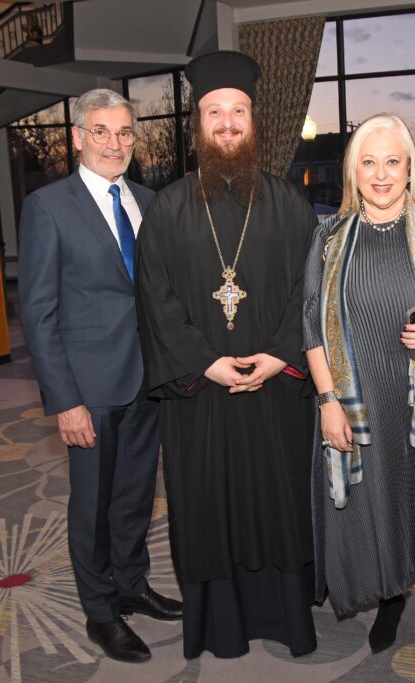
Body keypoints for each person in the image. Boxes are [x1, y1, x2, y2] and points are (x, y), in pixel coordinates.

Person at [135, 51, 318, 659]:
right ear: (199, 125)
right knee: (207, 507)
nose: (228, 122)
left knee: (276, 500)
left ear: (254, 121)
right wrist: (205, 363)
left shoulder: (288, 203)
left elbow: (310, 293)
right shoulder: (167, 208)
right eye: (215, 112)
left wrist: (279, 356)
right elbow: (155, 300)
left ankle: (286, 618)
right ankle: (220, 627)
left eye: (238, 111)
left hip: (274, 391)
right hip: (201, 398)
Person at [303, 113, 415, 672]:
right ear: (353, 171)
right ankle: (390, 599)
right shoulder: (330, 237)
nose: (381, 174)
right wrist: (328, 403)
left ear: (410, 169)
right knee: (382, 504)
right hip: (364, 403)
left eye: (393, 162)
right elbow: (311, 328)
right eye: (369, 162)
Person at [18, 88, 181, 664]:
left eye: (125, 132)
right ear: (78, 137)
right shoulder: (48, 206)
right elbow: (38, 313)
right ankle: (101, 612)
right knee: (91, 504)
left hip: (147, 380)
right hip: (88, 388)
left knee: (136, 495)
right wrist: (65, 400)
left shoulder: (149, 201)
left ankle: (132, 585)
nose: (115, 143)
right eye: (102, 131)